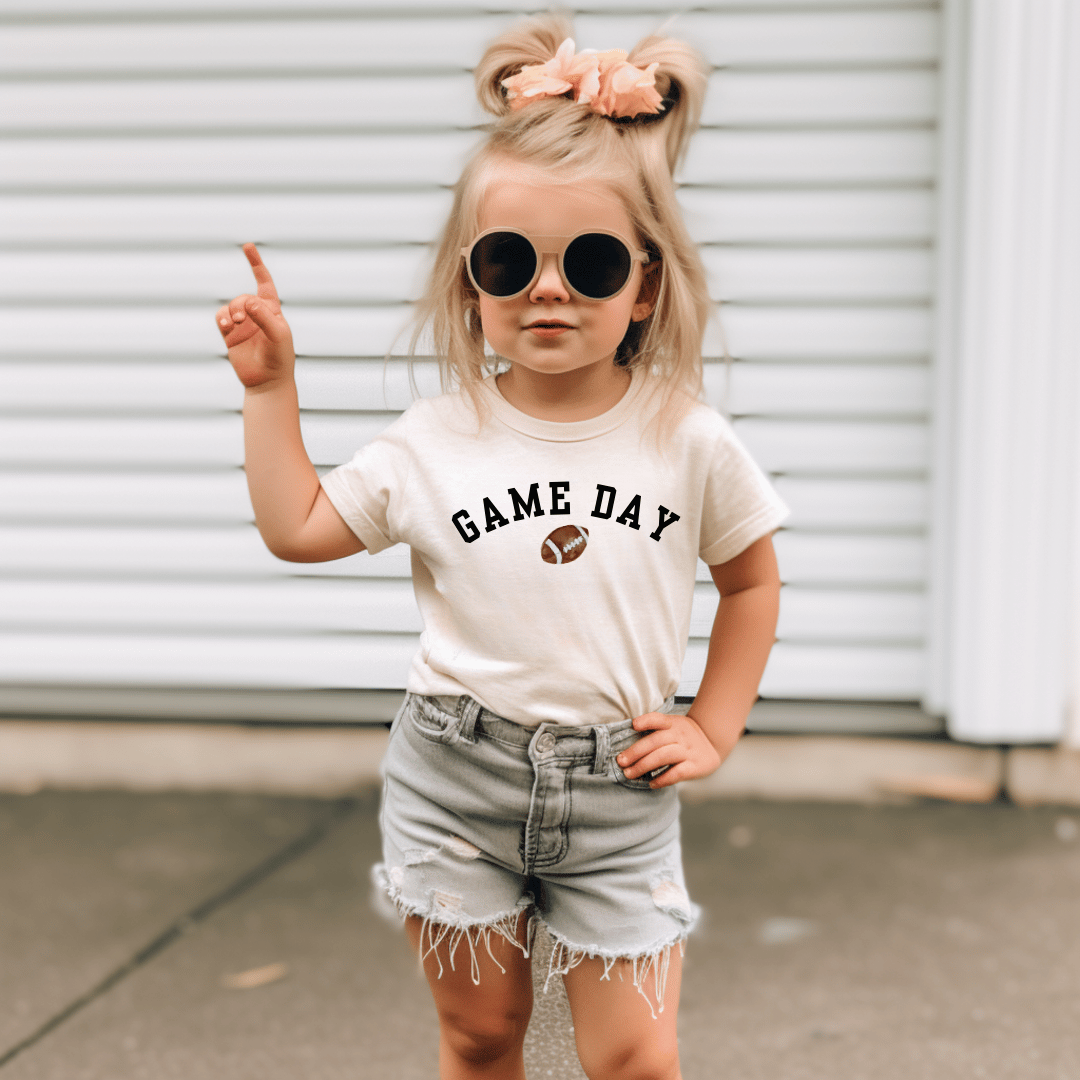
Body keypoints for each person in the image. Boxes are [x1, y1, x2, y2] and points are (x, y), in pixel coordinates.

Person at [215, 14, 789, 1080]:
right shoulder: (434, 442)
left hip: (620, 790)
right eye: (510, 258)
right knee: (482, 1038)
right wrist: (270, 391)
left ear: (648, 285)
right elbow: (297, 528)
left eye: (595, 260)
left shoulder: (688, 440)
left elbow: (751, 581)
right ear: (471, 282)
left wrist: (714, 724)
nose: (550, 287)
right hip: (454, 779)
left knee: (635, 1061)